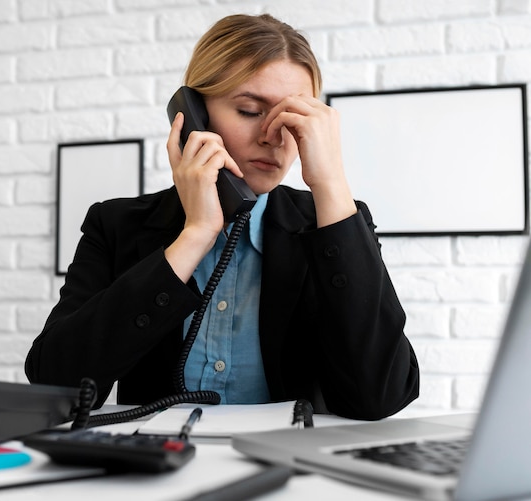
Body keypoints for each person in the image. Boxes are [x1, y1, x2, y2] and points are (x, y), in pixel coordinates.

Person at [25, 13, 419, 420]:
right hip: (153, 469)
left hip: (289, 469)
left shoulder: (333, 226)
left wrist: (330, 183)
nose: (273, 137)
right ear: (194, 115)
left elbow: (381, 397)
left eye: (293, 119)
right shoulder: (116, 224)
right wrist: (195, 235)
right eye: (250, 110)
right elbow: (56, 383)